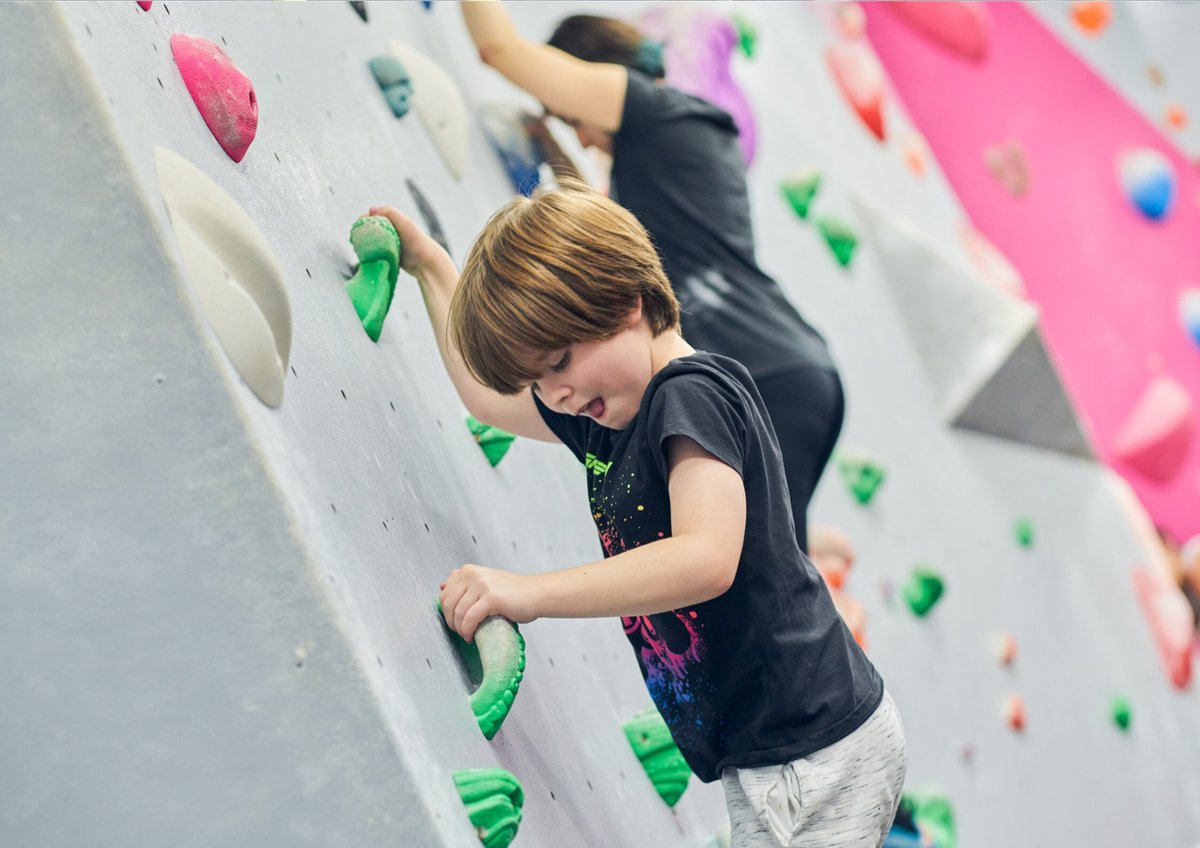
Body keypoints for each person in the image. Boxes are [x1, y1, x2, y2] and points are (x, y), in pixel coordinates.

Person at [362, 181, 906, 847]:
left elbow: (705, 559)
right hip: (771, 747)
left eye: (560, 360)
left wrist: (528, 592)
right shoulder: (607, 414)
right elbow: (487, 400)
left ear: (629, 302)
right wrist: (431, 264)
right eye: (539, 381)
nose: (555, 393)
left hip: (816, 749)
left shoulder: (690, 394)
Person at [462, 2, 844, 554]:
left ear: (594, 73)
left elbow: (499, 50)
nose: (585, 139)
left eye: (572, 117)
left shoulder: (653, 112)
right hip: (784, 365)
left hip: (765, 368)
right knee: (770, 568)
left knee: (758, 579)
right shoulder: (674, 143)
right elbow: (606, 222)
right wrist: (550, 152)